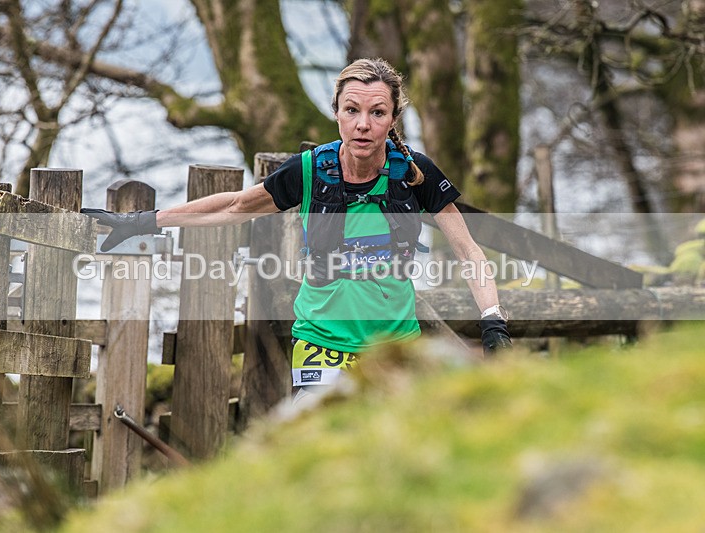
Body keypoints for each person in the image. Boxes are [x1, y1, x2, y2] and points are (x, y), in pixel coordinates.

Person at [82, 58, 511, 398]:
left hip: (394, 349)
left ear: (392, 118)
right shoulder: (310, 172)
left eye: (377, 112)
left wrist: (493, 321)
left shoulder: (414, 173)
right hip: (320, 345)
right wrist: (144, 222)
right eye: (352, 110)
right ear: (337, 114)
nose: (363, 124)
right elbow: (233, 206)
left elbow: (469, 252)